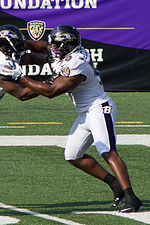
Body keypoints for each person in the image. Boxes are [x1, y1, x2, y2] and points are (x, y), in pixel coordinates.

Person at [0, 24, 142, 213]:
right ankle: (115, 184)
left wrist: (20, 76)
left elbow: (50, 92)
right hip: (85, 113)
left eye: (57, 46)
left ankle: (131, 197)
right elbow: (39, 47)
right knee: (73, 155)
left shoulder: (77, 62)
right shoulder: (66, 53)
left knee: (107, 150)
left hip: (99, 108)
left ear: (67, 47)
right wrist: (17, 44)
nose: (53, 49)